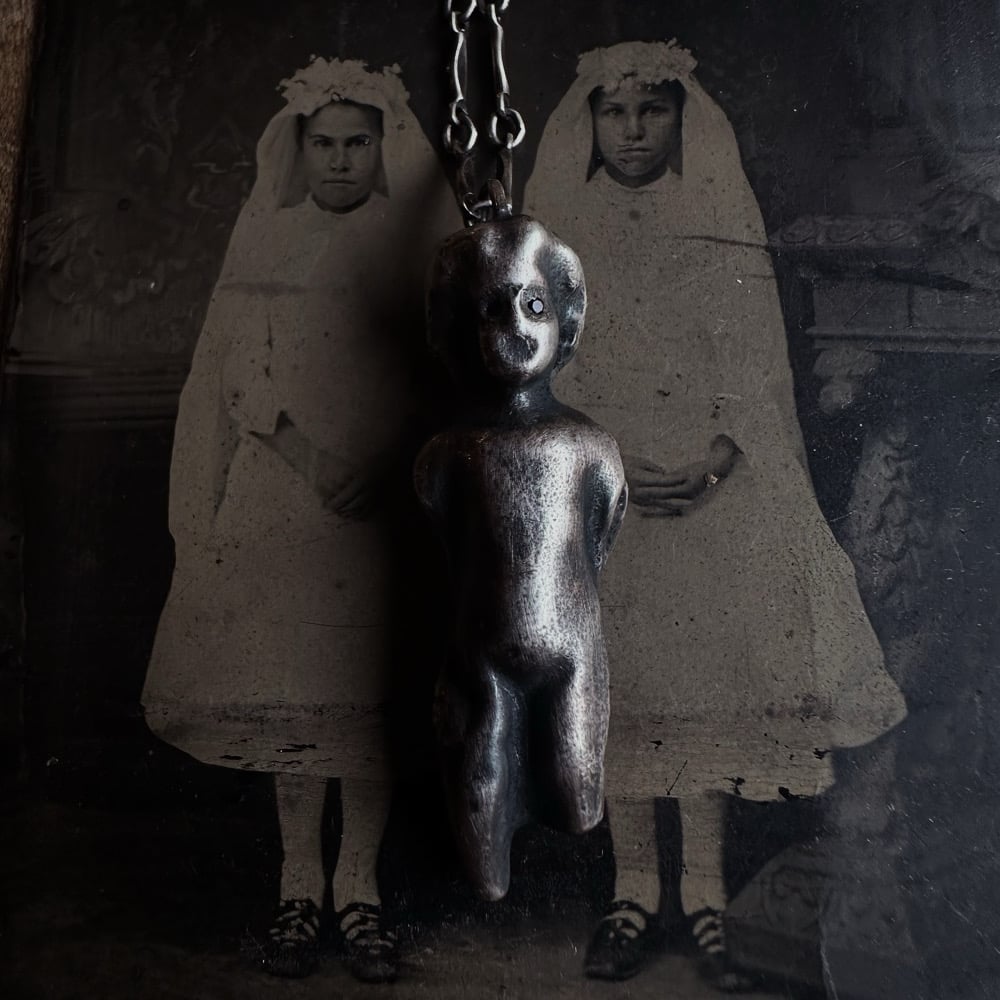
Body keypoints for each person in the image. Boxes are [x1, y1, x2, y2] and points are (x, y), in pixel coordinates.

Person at [525, 40, 907, 991]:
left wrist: (719, 456)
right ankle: (631, 891)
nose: (633, 131)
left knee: (703, 683)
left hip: (710, 479)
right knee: (624, 687)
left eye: (653, 112)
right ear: (590, 124)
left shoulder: (717, 217)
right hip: (604, 482)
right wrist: (607, 457)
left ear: (681, 119)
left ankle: (702, 894)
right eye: (615, 114)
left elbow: (753, 359)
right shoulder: (561, 232)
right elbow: (545, 368)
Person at [142, 57, 458, 984]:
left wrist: (386, 461)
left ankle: (358, 887)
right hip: (284, 493)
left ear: (385, 149)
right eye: (324, 144)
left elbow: (436, 374)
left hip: (385, 499)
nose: (341, 160)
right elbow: (240, 376)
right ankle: (297, 886)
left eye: (359, 143)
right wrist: (315, 462)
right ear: (298, 148)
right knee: (296, 690)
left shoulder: (413, 249)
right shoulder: (268, 241)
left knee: (361, 697)